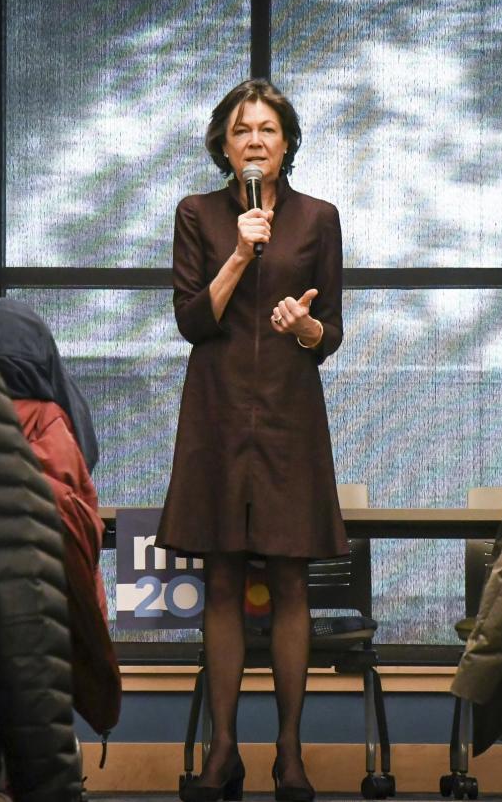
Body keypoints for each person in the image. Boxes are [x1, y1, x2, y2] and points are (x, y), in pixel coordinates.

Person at [156, 79, 346, 802]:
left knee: (292, 579)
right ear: (224, 146)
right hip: (217, 414)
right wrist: (238, 256)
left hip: (292, 418)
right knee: (224, 580)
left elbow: (332, 335)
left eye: (268, 129)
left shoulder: (319, 219)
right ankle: (224, 751)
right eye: (242, 131)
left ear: (288, 142)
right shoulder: (197, 216)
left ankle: (289, 755)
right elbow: (190, 322)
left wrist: (306, 330)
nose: (256, 141)